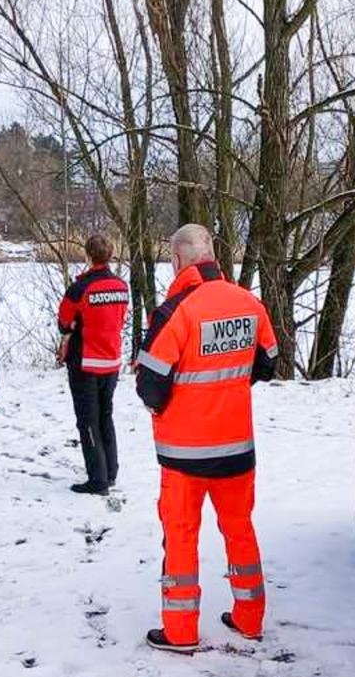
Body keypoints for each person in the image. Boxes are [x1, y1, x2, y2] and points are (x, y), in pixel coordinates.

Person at [134, 223, 278, 652]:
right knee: (240, 529)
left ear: (177, 260)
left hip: (183, 455)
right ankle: (249, 618)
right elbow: (268, 361)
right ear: (212, 254)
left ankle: (180, 631)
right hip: (236, 447)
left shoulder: (176, 310)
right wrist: (228, 390)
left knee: (181, 536)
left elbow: (149, 382)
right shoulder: (248, 302)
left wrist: (165, 405)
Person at [57, 234, 130, 495]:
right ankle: (110, 470)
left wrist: (76, 324)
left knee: (88, 420)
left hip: (85, 361)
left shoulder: (81, 287)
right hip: (111, 359)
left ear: (88, 256)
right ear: (110, 255)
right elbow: (120, 318)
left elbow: (64, 321)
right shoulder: (121, 286)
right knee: (105, 416)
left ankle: (97, 479)